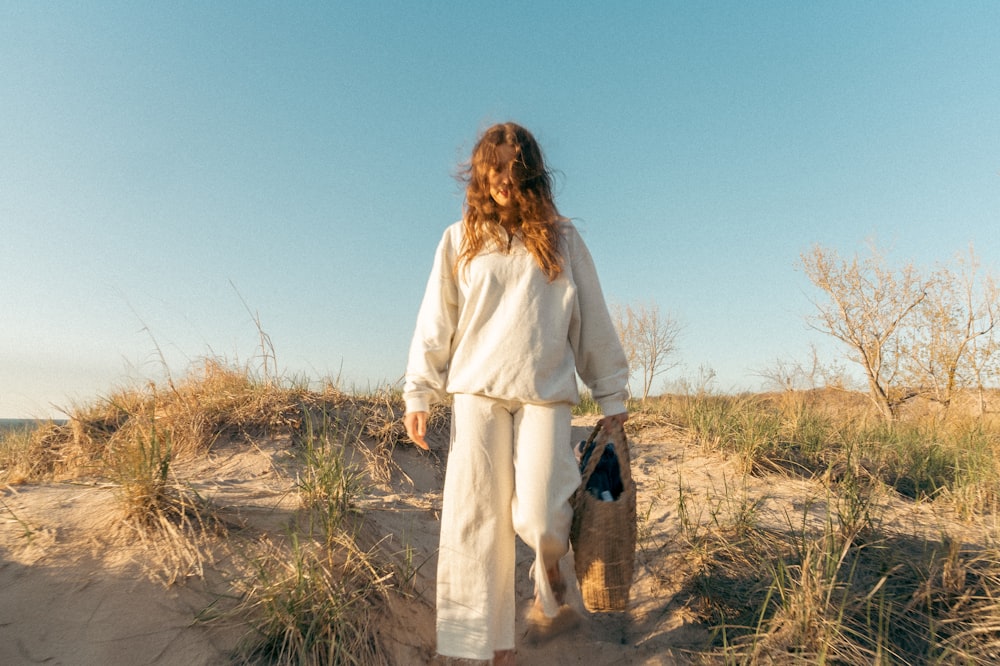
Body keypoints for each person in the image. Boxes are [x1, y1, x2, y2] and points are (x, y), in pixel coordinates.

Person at [403, 122, 629, 665]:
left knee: (540, 508)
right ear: (481, 172)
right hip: (477, 390)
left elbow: (591, 319)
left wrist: (612, 396)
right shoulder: (458, 239)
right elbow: (438, 320)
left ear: (530, 172)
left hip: (544, 390)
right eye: (495, 167)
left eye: (515, 166)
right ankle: (486, 646)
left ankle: (551, 576)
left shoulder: (563, 237)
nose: (505, 178)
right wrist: (419, 390)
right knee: (474, 517)